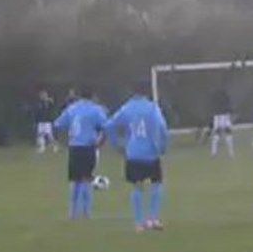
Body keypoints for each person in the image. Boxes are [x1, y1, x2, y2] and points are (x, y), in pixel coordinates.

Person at [106, 85, 169, 232]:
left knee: (137, 186)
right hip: (151, 152)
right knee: (156, 183)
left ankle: (139, 223)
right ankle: (153, 219)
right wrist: (163, 146)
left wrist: (117, 144)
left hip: (133, 152)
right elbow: (162, 127)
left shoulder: (126, 108)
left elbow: (109, 126)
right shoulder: (152, 108)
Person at [53, 88, 108, 220]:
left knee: (74, 180)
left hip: (74, 148)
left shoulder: (72, 108)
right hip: (88, 147)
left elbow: (58, 124)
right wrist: (100, 141)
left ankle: (72, 213)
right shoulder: (96, 109)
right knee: (86, 180)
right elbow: (106, 127)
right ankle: (86, 213)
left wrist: (64, 141)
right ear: (93, 96)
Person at [209, 88, 234, 158]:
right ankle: (230, 153)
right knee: (225, 135)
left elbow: (229, 108)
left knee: (218, 136)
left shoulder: (216, 98)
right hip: (222, 117)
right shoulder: (225, 98)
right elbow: (229, 108)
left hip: (220, 117)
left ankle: (214, 153)